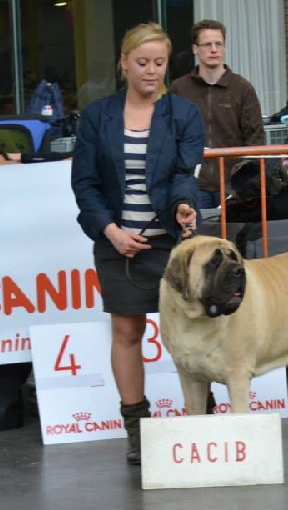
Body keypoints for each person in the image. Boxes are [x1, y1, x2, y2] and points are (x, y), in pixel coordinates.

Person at [71, 22, 204, 465]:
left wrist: (184, 207)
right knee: (127, 333)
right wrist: (110, 231)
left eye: (159, 63)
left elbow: (185, 176)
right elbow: (85, 185)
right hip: (116, 241)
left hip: (173, 244)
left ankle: (203, 419)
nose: (151, 71)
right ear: (124, 62)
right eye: (142, 62)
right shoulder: (97, 116)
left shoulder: (183, 114)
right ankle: (137, 428)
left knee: (198, 331)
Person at [171, 19, 266, 209]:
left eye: (219, 44)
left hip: (233, 186)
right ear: (195, 49)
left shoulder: (242, 88)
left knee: (235, 237)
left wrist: (244, 182)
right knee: (199, 238)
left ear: (225, 48)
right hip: (193, 185)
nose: (214, 49)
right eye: (207, 44)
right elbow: (170, 135)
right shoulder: (179, 89)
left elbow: (255, 138)